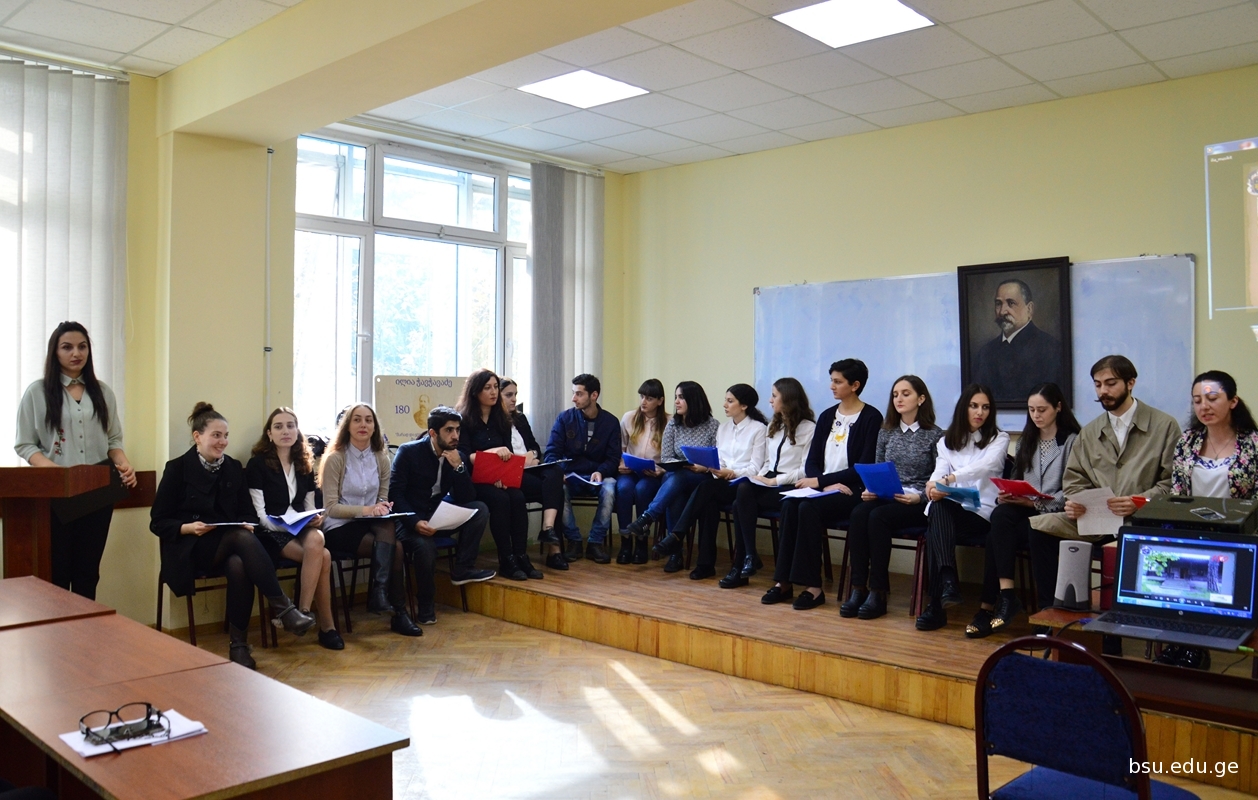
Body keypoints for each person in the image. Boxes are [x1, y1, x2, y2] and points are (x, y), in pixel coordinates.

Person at [151, 403, 315, 668]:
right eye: (216, 435)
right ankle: (284, 609)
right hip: (190, 548)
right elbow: (158, 521)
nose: (223, 442)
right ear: (197, 436)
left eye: (226, 436)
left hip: (228, 545)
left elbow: (248, 513)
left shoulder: (233, 467)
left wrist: (247, 524)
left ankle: (239, 646)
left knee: (239, 562)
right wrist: (188, 528)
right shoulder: (177, 468)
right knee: (240, 539)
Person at [14, 322, 137, 599]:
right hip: (57, 493)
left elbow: (113, 440)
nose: (76, 353)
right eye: (67, 347)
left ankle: (87, 627)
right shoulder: (37, 392)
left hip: (98, 490)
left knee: (88, 572)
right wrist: (58, 474)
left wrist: (125, 464)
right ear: (55, 352)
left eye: (82, 347)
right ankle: (59, 627)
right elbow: (25, 444)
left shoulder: (102, 392)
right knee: (57, 572)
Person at [763, 359, 882, 610]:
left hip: (852, 489)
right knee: (789, 504)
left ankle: (813, 588)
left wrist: (822, 482)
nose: (832, 386)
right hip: (826, 488)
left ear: (855, 385)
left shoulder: (871, 417)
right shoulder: (828, 416)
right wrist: (823, 484)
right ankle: (783, 582)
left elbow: (862, 466)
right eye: (832, 381)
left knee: (808, 508)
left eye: (838, 382)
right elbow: (812, 461)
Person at [965, 383, 1079, 639]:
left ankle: (996, 607)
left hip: (1055, 513)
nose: (1036, 415)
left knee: (1003, 534)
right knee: (999, 517)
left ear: (1058, 408)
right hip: (1026, 510)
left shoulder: (1073, 441)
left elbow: (1073, 490)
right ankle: (1007, 595)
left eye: (1042, 410)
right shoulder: (1027, 440)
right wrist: (1007, 494)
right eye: (1031, 410)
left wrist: (1035, 503)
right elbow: (1016, 479)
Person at [1163, 370, 1258, 669]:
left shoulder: (1253, 443)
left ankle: (1197, 645)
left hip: (1240, 533)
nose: (1204, 406)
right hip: (1192, 528)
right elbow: (1177, 493)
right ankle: (1180, 642)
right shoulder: (1187, 441)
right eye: (1197, 401)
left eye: (1212, 398)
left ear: (1232, 401)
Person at [837, 376, 943, 619]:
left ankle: (878, 592)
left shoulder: (935, 435)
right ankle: (858, 588)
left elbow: (938, 478)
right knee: (859, 513)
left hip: (916, 501)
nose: (899, 399)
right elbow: (878, 467)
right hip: (887, 494)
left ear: (921, 399)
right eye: (895, 394)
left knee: (878, 517)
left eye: (906, 394)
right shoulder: (887, 432)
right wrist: (870, 488)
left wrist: (920, 498)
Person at [318, 403, 421, 637]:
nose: (363, 424)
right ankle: (396, 610)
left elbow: (382, 498)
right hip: (339, 526)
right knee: (396, 548)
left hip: (369, 524)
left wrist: (382, 507)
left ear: (375, 427)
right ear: (347, 426)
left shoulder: (381, 458)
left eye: (368, 420)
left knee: (389, 526)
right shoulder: (336, 458)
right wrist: (368, 510)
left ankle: (381, 595)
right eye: (357, 420)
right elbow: (331, 508)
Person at [915, 383, 1010, 632]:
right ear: (963, 408)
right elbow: (938, 473)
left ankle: (938, 602)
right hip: (952, 512)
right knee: (938, 509)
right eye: (974, 406)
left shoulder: (999, 438)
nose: (980, 412)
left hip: (981, 513)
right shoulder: (946, 442)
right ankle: (947, 584)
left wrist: (948, 481)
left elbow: (985, 467)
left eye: (985, 407)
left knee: (936, 524)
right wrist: (932, 486)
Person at [246, 407, 342, 651]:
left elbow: (309, 507)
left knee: (317, 537)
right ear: (269, 434)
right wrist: (286, 525)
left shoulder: (304, 463)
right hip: (271, 531)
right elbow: (259, 515)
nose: (285, 431)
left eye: (290, 426)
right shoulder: (257, 464)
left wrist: (315, 519)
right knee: (324, 556)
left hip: (300, 527)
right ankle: (327, 627)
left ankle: (301, 612)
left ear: (297, 431)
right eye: (278, 427)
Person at [390, 406, 495, 625]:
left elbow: (467, 497)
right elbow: (395, 496)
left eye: (457, 430)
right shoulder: (408, 452)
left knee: (480, 509)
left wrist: (459, 468)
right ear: (433, 433)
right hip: (409, 520)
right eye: (449, 430)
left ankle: (463, 568)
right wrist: (414, 522)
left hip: (438, 517)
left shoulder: (457, 456)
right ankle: (425, 604)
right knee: (425, 547)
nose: (455, 435)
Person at [655, 384, 768, 581]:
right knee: (708, 501)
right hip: (723, 481)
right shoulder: (723, 429)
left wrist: (731, 472)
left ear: (744, 406)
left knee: (706, 489)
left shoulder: (758, 429)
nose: (724, 405)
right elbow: (720, 460)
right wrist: (716, 470)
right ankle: (705, 565)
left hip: (746, 485)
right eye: (725, 400)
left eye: (730, 401)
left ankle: (676, 536)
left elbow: (755, 469)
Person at [722, 377, 815, 589]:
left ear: (788, 399)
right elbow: (766, 462)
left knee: (739, 502)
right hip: (768, 480)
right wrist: (761, 477)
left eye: (774, 396)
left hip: (790, 485)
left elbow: (805, 469)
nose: (770, 400)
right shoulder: (774, 424)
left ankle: (744, 562)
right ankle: (749, 557)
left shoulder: (809, 428)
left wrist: (774, 480)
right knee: (743, 491)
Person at [457, 369, 543, 581]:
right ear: (475, 391)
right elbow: (463, 456)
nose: (493, 392)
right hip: (474, 479)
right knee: (500, 500)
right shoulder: (464, 419)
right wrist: (490, 453)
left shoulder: (501, 419)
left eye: (495, 387)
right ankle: (506, 559)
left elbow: (508, 454)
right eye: (487, 388)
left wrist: (503, 476)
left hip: (498, 477)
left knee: (517, 496)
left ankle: (521, 555)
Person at [626, 381, 720, 573]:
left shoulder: (713, 425)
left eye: (681, 397)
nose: (676, 401)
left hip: (702, 479)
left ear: (694, 400)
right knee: (676, 486)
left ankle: (648, 518)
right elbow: (667, 457)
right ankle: (675, 554)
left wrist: (703, 467)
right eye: (676, 397)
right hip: (678, 478)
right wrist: (679, 464)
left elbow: (719, 458)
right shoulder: (674, 425)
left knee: (677, 478)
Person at [543, 374, 622, 567]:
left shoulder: (610, 422)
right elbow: (552, 452)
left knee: (610, 488)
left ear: (594, 395)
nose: (573, 398)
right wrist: (559, 472)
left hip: (598, 475)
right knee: (558, 490)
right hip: (570, 475)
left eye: (579, 394)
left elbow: (613, 457)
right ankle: (574, 541)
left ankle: (595, 542)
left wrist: (601, 471)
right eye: (573, 393)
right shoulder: (565, 419)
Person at [500, 377, 565, 569]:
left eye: (515, 394)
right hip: (512, 472)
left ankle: (548, 528)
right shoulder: (494, 423)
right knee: (555, 490)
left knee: (555, 471)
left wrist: (533, 455)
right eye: (508, 395)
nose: (514, 399)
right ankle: (554, 550)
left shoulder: (520, 418)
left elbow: (535, 446)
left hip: (530, 467)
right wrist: (521, 460)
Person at [971, 278, 1064, 405]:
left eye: (1011, 303)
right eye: (998, 304)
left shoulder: (1051, 349)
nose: (1003, 311)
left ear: (1029, 309)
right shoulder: (985, 353)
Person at [616, 379, 668, 565]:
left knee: (642, 490)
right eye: (642, 397)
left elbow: (671, 456)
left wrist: (660, 471)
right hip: (629, 471)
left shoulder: (669, 422)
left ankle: (641, 541)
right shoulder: (629, 417)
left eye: (649, 398)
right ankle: (625, 541)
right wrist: (620, 464)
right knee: (623, 489)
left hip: (652, 474)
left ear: (660, 401)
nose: (643, 402)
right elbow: (620, 447)